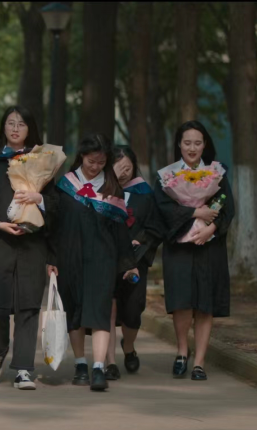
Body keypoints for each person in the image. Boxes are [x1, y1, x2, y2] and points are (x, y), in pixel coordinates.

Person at [0, 105, 54, 390]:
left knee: (28, 305)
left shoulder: (44, 165)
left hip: (32, 245)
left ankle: (24, 369)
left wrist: (39, 199)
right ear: (3, 128)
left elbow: (58, 207)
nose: (15, 129)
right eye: (10, 123)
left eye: (21, 124)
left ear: (30, 130)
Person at [51, 135, 138, 392]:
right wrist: (51, 259)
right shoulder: (65, 186)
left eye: (101, 162)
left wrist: (128, 263)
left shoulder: (112, 188)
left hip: (103, 259)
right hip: (70, 258)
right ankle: (80, 365)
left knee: (101, 311)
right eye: (91, 161)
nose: (95, 167)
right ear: (82, 157)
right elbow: (54, 226)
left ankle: (98, 367)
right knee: (75, 311)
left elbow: (120, 231)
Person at [154, 121, 235, 381]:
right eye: (187, 142)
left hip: (209, 246)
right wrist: (194, 212)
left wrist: (211, 228)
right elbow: (162, 208)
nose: (192, 148)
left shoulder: (216, 173)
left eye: (197, 143)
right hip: (179, 246)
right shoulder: (167, 176)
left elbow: (227, 206)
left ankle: (199, 362)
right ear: (179, 144)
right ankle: (182, 351)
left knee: (205, 303)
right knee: (182, 302)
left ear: (205, 145)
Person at [106, 146, 166, 378]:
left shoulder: (144, 193)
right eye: (118, 167)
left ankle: (128, 347)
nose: (123, 173)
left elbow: (155, 226)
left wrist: (139, 241)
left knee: (133, 310)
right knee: (108, 309)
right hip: (107, 259)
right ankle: (110, 363)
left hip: (135, 260)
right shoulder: (99, 191)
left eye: (127, 168)